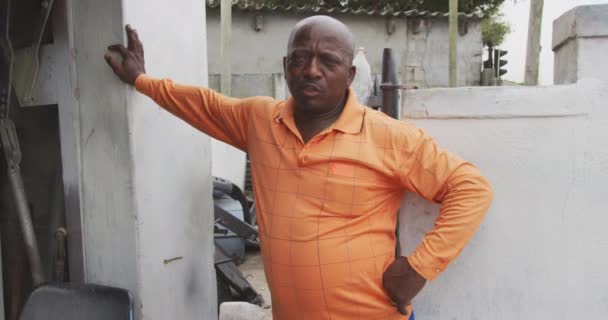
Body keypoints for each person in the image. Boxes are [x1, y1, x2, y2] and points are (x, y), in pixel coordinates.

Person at [105, 17, 493, 320]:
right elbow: (201, 104)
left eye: (328, 61)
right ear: (286, 65)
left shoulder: (387, 137)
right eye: (300, 58)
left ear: (350, 75)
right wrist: (141, 79)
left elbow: (471, 188)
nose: (311, 70)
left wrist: (417, 268)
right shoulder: (259, 120)